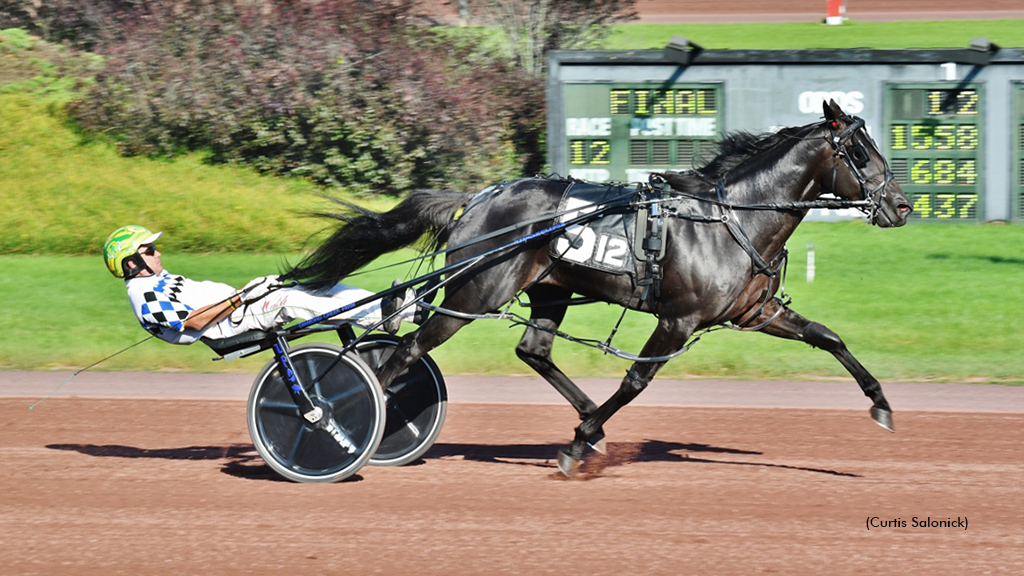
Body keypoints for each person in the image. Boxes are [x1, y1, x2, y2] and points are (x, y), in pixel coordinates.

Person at [103, 225, 421, 345]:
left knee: (318, 285)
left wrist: (247, 292)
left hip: (240, 306)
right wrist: (242, 297)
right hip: (234, 320)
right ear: (132, 263)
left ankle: (400, 307)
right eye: (149, 250)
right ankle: (385, 315)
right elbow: (195, 322)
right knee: (292, 301)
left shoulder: (155, 280)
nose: (158, 252)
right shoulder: (143, 297)